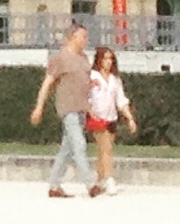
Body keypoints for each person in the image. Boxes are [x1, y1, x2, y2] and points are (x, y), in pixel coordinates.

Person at [31, 21, 92, 197]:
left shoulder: (84, 58)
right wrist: (39, 107)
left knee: (67, 149)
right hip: (68, 108)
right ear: (73, 37)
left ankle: (54, 185)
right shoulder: (60, 58)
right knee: (79, 144)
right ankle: (91, 184)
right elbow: (47, 83)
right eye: (83, 36)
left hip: (81, 109)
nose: (86, 40)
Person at [84, 45, 138, 196]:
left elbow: (121, 100)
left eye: (110, 59)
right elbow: (84, 96)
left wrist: (129, 118)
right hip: (97, 118)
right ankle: (109, 179)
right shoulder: (92, 76)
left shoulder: (115, 80)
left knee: (104, 151)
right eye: (105, 58)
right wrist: (89, 111)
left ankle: (100, 179)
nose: (108, 62)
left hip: (111, 118)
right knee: (106, 148)